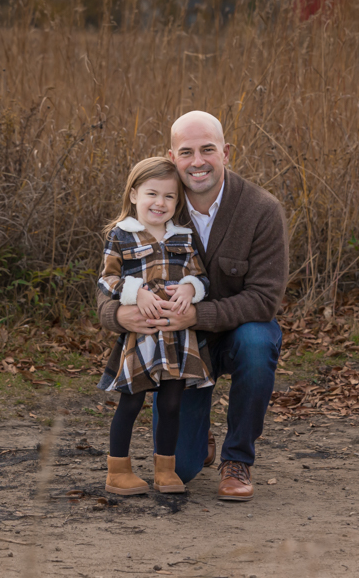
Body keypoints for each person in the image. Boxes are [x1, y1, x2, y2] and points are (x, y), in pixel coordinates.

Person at [97, 111, 287, 502]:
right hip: (176, 347)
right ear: (172, 155)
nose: (197, 161)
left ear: (226, 153)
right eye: (187, 152)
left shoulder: (261, 210)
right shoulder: (160, 202)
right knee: (180, 468)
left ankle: (237, 459)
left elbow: (265, 299)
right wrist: (119, 314)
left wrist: (197, 314)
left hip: (233, 335)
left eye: (208, 150)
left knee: (257, 341)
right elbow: (105, 286)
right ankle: (199, 441)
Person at [96, 157, 213, 496]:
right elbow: (108, 279)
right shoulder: (122, 235)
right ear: (134, 194)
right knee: (131, 402)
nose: (160, 203)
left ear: (178, 202)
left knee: (171, 403)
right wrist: (135, 293)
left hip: (177, 336)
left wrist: (192, 288)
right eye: (151, 194)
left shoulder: (184, 236)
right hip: (142, 334)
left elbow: (200, 274)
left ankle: (166, 470)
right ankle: (117, 470)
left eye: (169, 197)